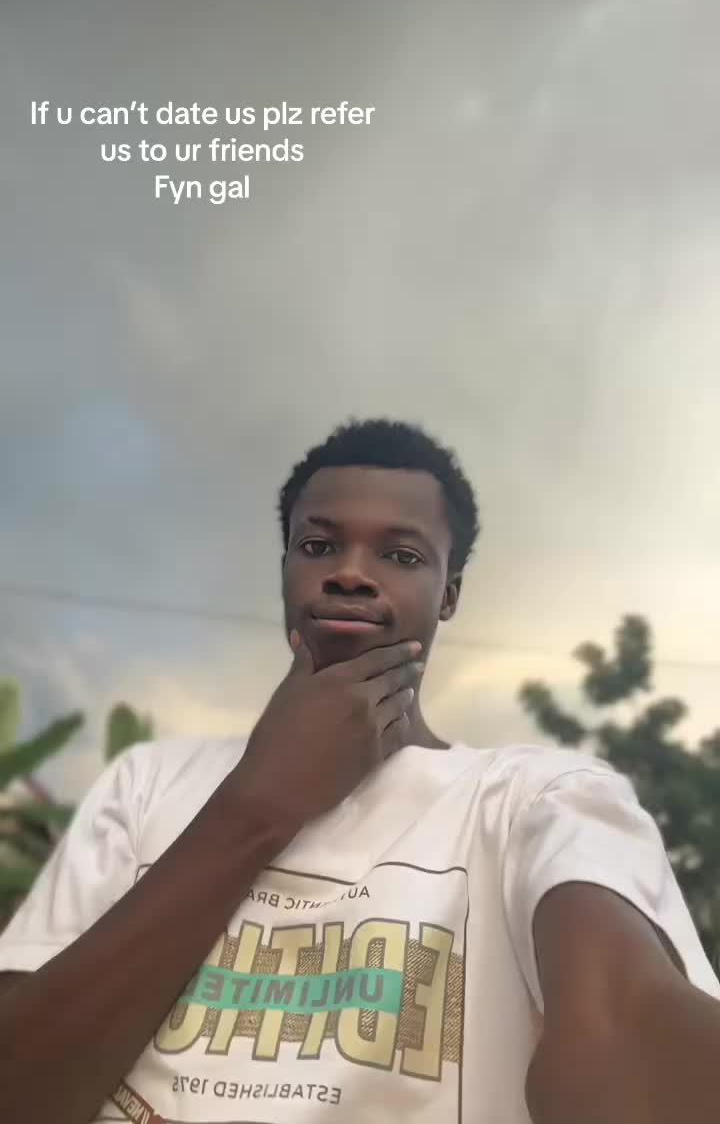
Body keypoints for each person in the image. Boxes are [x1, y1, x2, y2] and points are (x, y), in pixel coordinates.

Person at [0, 417, 718, 1124]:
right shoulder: (146, 784)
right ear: (285, 569)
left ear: (448, 594)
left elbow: (623, 1021)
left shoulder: (537, 800)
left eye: (401, 555)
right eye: (317, 546)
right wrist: (257, 803)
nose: (348, 573)